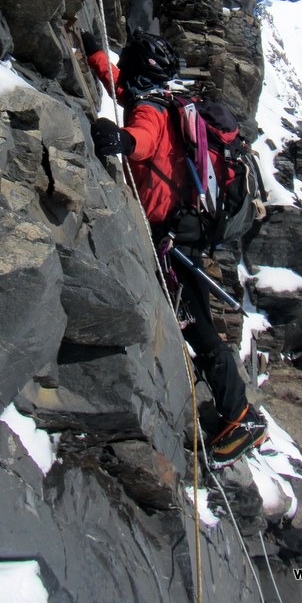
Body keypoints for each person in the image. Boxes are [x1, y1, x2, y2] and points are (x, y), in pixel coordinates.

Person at [81, 28, 267, 468]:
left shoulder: (149, 110)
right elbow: (121, 86)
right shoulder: (166, 99)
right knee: (193, 314)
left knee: (196, 323)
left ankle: (240, 415)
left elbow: (142, 136)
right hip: (184, 226)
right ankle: (232, 410)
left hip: (170, 234)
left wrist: (122, 142)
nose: (121, 74)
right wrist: (94, 56)